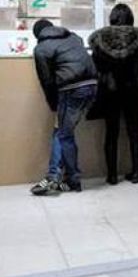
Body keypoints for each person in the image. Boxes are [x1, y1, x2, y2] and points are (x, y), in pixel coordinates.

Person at [30, 20, 97, 195]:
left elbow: (46, 80)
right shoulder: (73, 37)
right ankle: (71, 179)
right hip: (92, 85)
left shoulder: (41, 49)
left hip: (72, 88)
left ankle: (55, 177)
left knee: (62, 133)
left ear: (37, 35)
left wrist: (53, 104)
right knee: (64, 132)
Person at [89, 4, 138, 185]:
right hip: (134, 89)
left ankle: (112, 175)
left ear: (112, 17)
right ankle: (136, 172)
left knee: (111, 132)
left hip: (110, 89)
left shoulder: (100, 38)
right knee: (134, 130)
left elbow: (96, 65)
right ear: (130, 17)